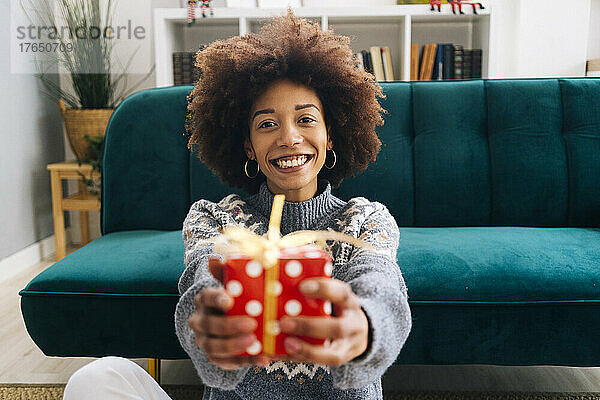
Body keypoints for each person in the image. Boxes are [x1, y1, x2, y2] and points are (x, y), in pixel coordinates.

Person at [63, 9, 411, 400]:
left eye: (306, 119)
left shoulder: (365, 219)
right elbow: (200, 283)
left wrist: (364, 326)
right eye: (267, 124)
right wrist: (209, 326)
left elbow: (383, 288)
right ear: (248, 146)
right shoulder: (215, 218)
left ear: (331, 135)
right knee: (97, 379)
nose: (289, 137)